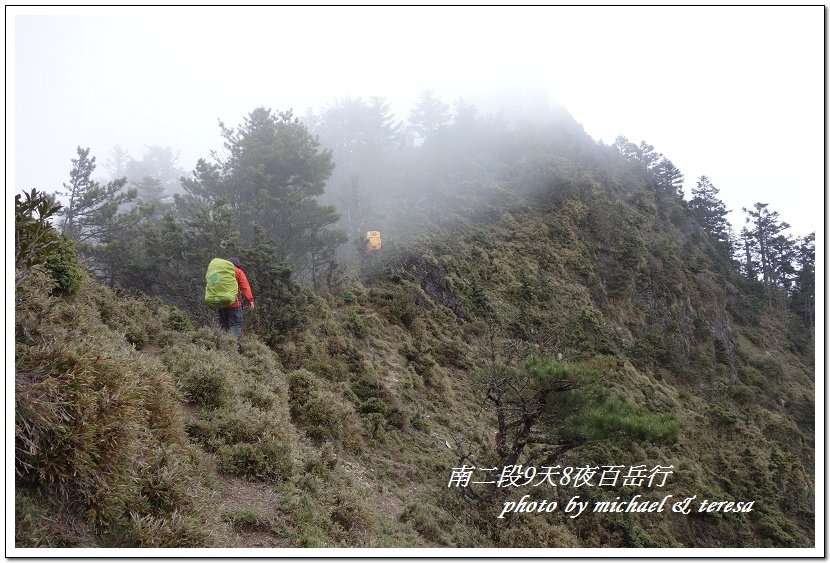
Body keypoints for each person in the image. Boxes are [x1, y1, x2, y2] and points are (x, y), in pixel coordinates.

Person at [218, 257, 254, 338]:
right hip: (234, 305)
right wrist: (250, 300)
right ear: (236, 265)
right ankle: (233, 346)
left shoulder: (220, 272)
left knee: (224, 327)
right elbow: (245, 286)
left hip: (221, 303)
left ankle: (223, 347)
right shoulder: (237, 271)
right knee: (236, 326)